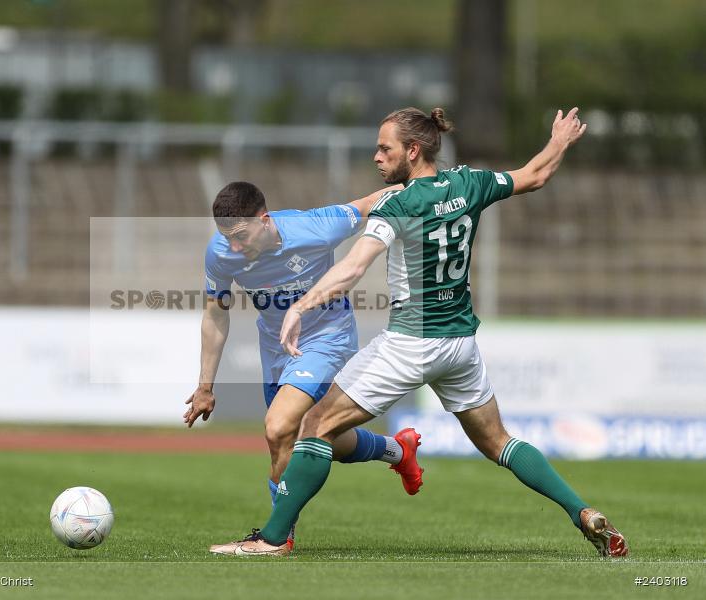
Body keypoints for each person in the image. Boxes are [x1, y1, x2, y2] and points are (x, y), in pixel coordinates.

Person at [210, 106, 628, 558]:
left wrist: (301, 307)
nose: (376, 157)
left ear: (413, 150)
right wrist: (560, 141)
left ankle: (272, 539)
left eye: (384, 148)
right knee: (499, 442)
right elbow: (535, 175)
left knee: (315, 424)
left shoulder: (398, 203)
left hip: (411, 342)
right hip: (460, 344)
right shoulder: (470, 183)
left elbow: (351, 268)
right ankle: (582, 512)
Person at [186, 180, 425, 551]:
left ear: (264, 220)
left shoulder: (317, 225)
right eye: (226, 237)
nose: (233, 246)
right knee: (310, 436)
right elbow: (216, 315)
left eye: (240, 235)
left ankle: (278, 537)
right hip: (277, 348)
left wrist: (431, 182)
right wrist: (205, 387)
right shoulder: (220, 252)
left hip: (327, 340)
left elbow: (371, 200)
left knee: (278, 427)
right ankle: (397, 450)